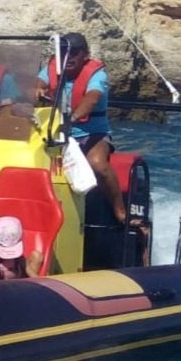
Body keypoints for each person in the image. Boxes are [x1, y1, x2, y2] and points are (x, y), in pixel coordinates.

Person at [36, 32, 127, 224]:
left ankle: (119, 210)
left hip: (91, 133)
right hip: (56, 132)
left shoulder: (97, 74)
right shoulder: (52, 68)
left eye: (74, 52)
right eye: (63, 52)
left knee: (97, 165)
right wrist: (37, 89)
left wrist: (74, 117)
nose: (68, 57)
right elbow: (39, 82)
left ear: (85, 54)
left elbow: (92, 98)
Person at [0, 216, 43, 281]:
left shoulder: (15, 242)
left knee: (37, 256)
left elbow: (24, 265)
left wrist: (38, 281)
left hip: (18, 280)